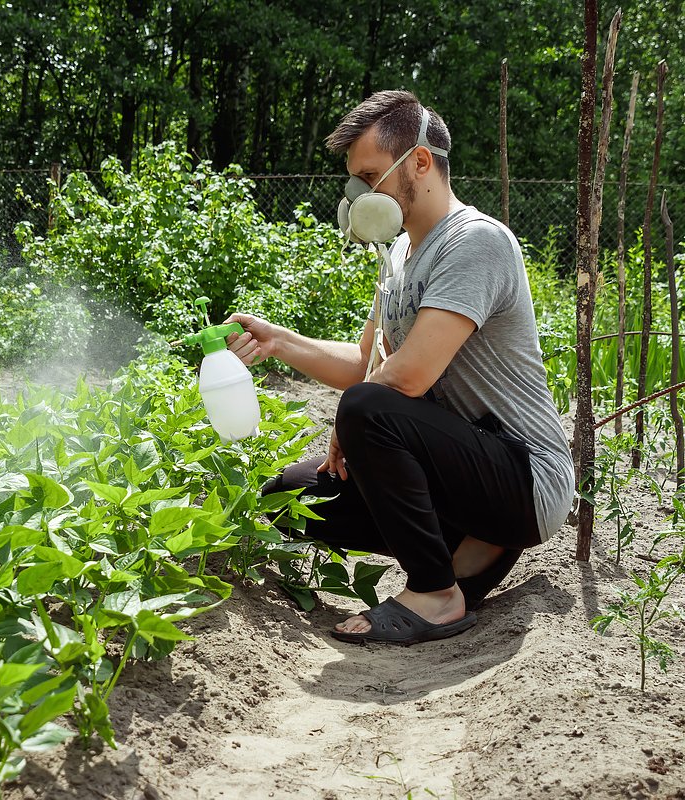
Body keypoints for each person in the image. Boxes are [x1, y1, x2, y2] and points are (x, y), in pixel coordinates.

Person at [224, 90, 573, 645]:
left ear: (419, 161)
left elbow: (406, 378)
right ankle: (470, 544)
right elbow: (369, 363)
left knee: (366, 408)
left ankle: (436, 593)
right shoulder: (400, 256)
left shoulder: (476, 242)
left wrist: (351, 418)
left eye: (369, 177)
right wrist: (280, 342)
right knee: (290, 498)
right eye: (354, 184)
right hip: (460, 462)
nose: (360, 196)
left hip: (523, 475)